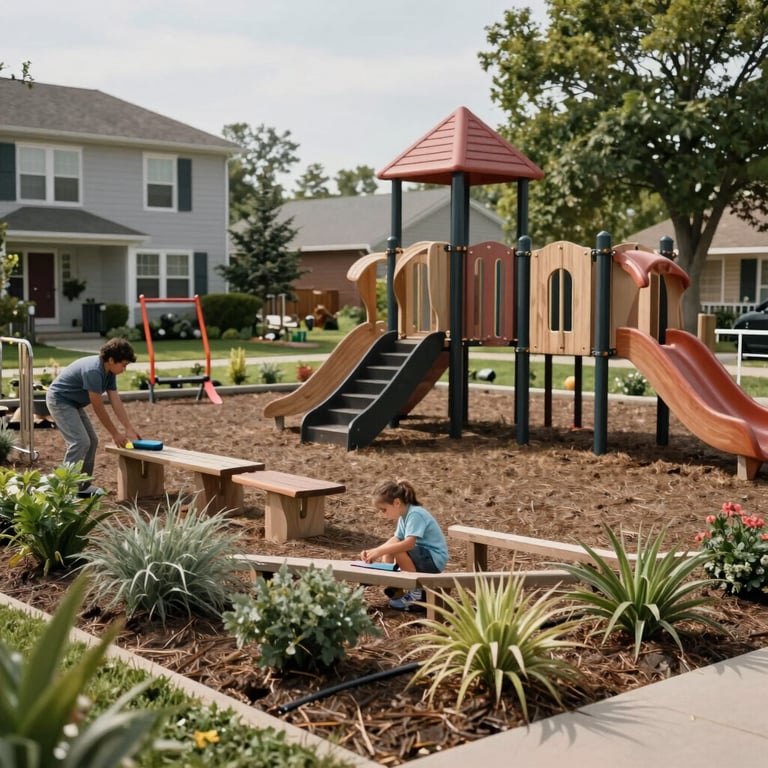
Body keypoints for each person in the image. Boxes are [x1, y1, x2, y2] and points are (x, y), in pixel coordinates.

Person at [46, 338, 143, 496]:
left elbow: (115, 401)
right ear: (111, 360)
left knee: (92, 441)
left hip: (73, 403)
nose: (124, 369)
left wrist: (128, 428)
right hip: (60, 400)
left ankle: (82, 487)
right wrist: (115, 434)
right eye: (124, 364)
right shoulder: (94, 371)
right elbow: (98, 407)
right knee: (80, 442)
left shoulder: (109, 371)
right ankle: (61, 488)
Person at [359, 479, 448, 611]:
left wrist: (380, 551)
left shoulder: (415, 514)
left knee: (399, 550)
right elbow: (396, 538)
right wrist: (375, 551)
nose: (383, 514)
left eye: (384, 510)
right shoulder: (404, 516)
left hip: (434, 560)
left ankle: (417, 595)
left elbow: (409, 544)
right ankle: (395, 588)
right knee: (390, 549)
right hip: (423, 557)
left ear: (396, 502)